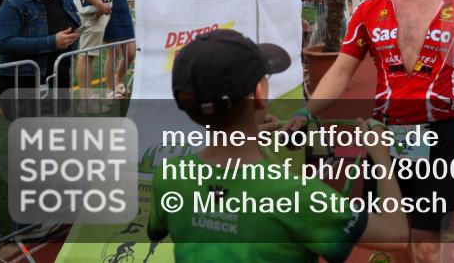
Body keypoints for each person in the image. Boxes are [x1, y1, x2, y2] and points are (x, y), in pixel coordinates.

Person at [284, 0, 454, 263]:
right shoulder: (368, 8)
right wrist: (306, 111)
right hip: (385, 137)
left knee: (426, 244)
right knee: (392, 242)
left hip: (439, 135)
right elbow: (341, 71)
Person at [148, 29, 408, 261]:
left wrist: (246, 139)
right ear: (260, 93)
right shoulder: (302, 197)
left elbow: (159, 229)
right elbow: (395, 235)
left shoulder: (170, 175)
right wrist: (380, 155)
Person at [0, 0, 80, 111]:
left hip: (59, 78)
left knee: (57, 124)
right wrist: (52, 42)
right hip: (23, 82)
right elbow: (4, 44)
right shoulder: (13, 4)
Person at [104, 0, 135, 98]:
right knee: (113, 54)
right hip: (111, 17)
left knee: (131, 53)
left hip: (125, 16)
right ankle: (110, 89)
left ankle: (119, 81)